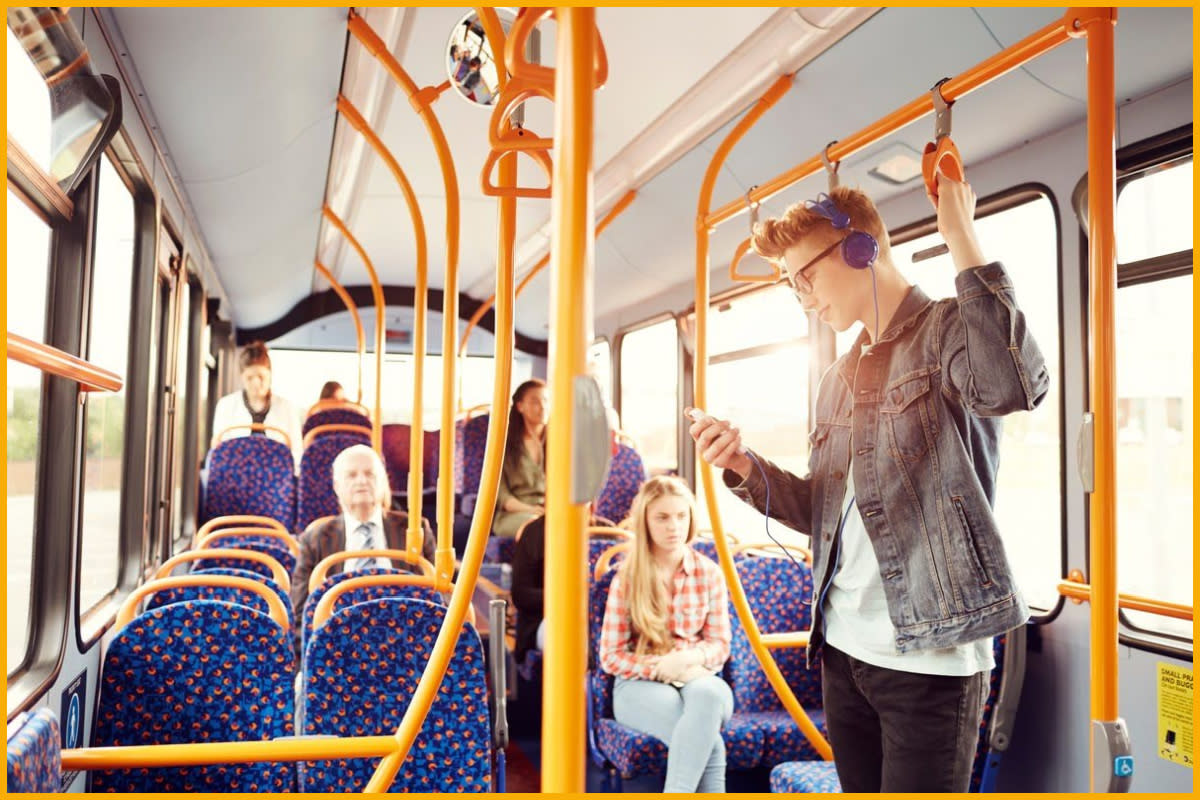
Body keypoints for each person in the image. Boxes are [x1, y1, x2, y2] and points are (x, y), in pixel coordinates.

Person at [688, 176, 1049, 792]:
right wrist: (745, 465)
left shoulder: (944, 333)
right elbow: (821, 508)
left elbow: (1013, 385)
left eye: (805, 277)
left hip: (929, 656)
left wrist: (960, 234)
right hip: (844, 650)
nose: (802, 298)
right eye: (790, 285)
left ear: (862, 251)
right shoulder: (836, 378)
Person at [598, 476, 733, 793]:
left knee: (710, 696)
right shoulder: (627, 577)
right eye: (662, 517)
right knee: (709, 745)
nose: (674, 526)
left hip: (698, 676)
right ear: (645, 521)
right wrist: (659, 668)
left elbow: (720, 644)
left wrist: (688, 658)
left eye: (681, 516)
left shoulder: (708, 572)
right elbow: (610, 655)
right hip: (639, 684)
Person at [289, 444, 436, 651]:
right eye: (351, 475)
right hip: (339, 645)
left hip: (406, 643)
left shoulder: (415, 529)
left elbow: (439, 597)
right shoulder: (315, 539)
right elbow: (300, 612)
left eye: (369, 474)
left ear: (383, 482)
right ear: (336, 486)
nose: (361, 481)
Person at [510, 506, 613, 663]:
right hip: (545, 617)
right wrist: (564, 597)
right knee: (571, 634)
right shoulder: (535, 533)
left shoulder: (606, 532)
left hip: (600, 618)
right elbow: (521, 595)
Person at [210, 341, 303, 468]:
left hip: (276, 477)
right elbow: (218, 451)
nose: (256, 383)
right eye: (249, 378)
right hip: (236, 473)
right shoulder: (225, 406)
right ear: (241, 377)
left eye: (261, 376)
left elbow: (296, 453)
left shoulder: (287, 408)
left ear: (270, 375)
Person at [493, 379, 548, 539]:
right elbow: (503, 497)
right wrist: (531, 510)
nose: (543, 406)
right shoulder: (504, 446)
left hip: (548, 512)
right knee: (539, 527)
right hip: (515, 513)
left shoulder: (558, 444)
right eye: (535, 401)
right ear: (520, 406)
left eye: (546, 400)